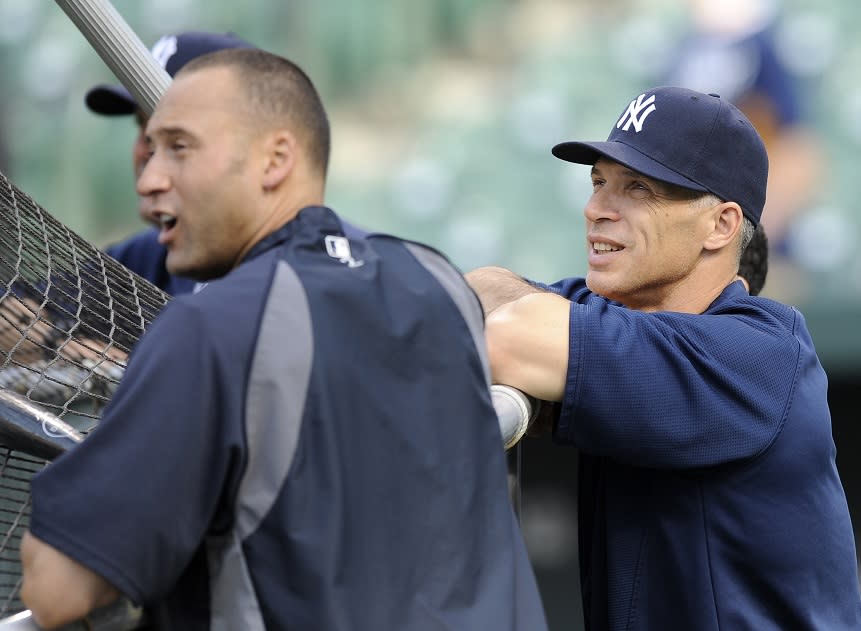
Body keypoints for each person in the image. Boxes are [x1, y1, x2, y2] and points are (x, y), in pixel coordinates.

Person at [19, 49, 548, 630]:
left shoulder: (213, 326)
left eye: (179, 147)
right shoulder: (434, 277)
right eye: (149, 148)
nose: (148, 179)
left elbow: (56, 590)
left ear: (275, 159)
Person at [467, 86, 861, 630]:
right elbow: (473, 288)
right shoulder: (624, 313)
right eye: (599, 182)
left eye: (637, 188)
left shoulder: (759, 353)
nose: (596, 208)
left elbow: (504, 334)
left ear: (720, 225)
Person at [87, 31, 255, 296]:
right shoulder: (148, 253)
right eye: (143, 127)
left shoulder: (289, 269)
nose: (147, 152)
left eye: (176, 140)